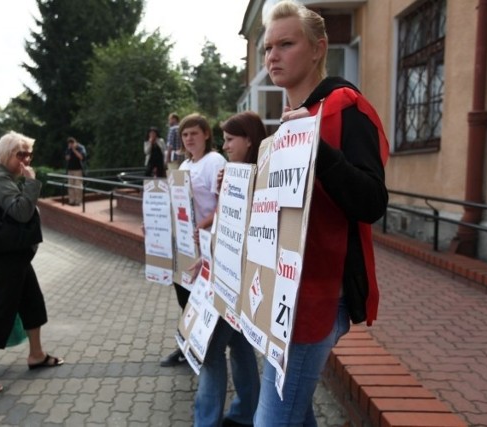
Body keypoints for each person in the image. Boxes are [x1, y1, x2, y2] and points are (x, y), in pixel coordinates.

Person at [253, 2, 389, 425]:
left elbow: (372, 202)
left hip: (319, 294)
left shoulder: (347, 108)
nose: (272, 56)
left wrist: (320, 152)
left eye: (286, 44)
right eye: (267, 48)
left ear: (318, 49)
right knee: (295, 409)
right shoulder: (287, 124)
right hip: (282, 294)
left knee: (272, 419)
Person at [0, 131, 64, 397]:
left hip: (13, 255)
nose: (27, 160)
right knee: (0, 312)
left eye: (29, 154)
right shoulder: (0, 179)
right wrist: (32, 183)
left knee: (31, 300)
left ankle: (36, 354)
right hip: (5, 258)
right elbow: (21, 211)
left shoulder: (5, 178)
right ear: (7, 154)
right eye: (21, 154)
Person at [193, 111, 266, 427]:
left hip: (238, 279)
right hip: (225, 274)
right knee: (238, 345)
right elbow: (225, 225)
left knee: (209, 351)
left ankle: (207, 422)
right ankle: (245, 412)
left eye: (230, 139)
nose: (224, 146)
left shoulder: (263, 177)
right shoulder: (236, 173)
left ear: (249, 139)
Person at [160, 113, 227, 368]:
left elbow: (224, 204)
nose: (188, 139)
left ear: (206, 135)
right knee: (184, 297)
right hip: (186, 245)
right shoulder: (186, 165)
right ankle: (187, 344)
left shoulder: (215, 162)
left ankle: (202, 348)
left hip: (205, 244)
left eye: (194, 134)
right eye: (185, 134)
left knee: (201, 299)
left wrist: (202, 225)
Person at [65, 137, 86, 206]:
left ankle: (78, 201)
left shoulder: (81, 148)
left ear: (75, 143)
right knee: (70, 186)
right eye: (69, 144)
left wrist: (74, 150)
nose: (70, 145)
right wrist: (69, 151)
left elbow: (81, 157)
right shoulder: (69, 148)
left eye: (72, 144)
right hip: (70, 170)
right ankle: (71, 201)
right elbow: (67, 158)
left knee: (78, 186)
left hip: (78, 170)